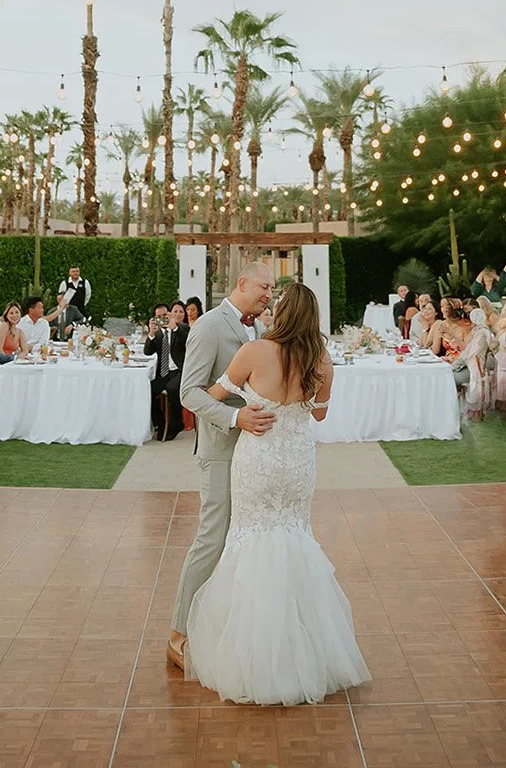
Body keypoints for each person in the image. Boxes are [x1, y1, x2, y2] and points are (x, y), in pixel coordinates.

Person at [184, 281, 370, 705]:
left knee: (250, 541)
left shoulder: (254, 352)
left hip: (259, 458)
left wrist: (243, 407)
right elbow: (320, 415)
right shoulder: (322, 361)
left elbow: (211, 395)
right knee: (294, 538)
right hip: (298, 463)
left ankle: (256, 659)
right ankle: (306, 655)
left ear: (283, 314)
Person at [168, 262, 276, 672]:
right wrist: (235, 418)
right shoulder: (210, 326)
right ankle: (178, 634)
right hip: (219, 449)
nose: (269, 294)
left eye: (272, 289)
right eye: (265, 286)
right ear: (242, 283)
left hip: (254, 453)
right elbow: (188, 393)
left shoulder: (260, 330)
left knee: (243, 538)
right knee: (211, 539)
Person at [145, 302, 189, 441]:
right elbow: (148, 352)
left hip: (179, 370)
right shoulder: (157, 333)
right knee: (148, 389)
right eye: (159, 317)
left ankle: (175, 425)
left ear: (169, 314)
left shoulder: (182, 328)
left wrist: (174, 326)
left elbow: (188, 341)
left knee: (172, 389)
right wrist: (151, 334)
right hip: (164, 372)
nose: (162, 319)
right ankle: (159, 422)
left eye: (165, 315)